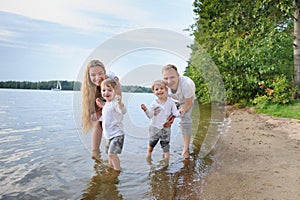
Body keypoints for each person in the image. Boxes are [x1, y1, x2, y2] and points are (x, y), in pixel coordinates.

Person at [81, 59, 121, 161]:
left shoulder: (113, 80)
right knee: (96, 123)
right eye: (93, 75)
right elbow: (91, 111)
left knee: (109, 122)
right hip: (98, 97)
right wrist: (97, 112)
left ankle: (111, 160)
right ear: (88, 76)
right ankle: (96, 159)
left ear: (105, 72)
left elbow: (118, 103)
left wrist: (103, 110)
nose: (97, 78)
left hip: (111, 99)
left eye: (100, 73)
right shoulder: (88, 87)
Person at [141, 80, 180, 163]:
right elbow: (150, 116)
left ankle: (166, 161)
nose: (159, 91)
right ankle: (148, 155)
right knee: (152, 143)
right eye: (156, 89)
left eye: (161, 88)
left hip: (166, 128)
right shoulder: (154, 103)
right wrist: (145, 110)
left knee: (165, 144)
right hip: (154, 127)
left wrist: (180, 112)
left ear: (166, 90)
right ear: (154, 92)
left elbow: (175, 112)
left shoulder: (171, 102)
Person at [161, 64, 196, 159]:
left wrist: (178, 113)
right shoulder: (163, 86)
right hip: (174, 100)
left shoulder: (187, 84)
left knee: (185, 121)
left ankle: (186, 148)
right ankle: (165, 147)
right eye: (166, 78)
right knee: (165, 120)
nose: (169, 81)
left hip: (186, 100)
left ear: (178, 75)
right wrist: (170, 117)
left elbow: (188, 104)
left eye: (172, 77)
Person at [100, 78, 126, 171]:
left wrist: (120, 103)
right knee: (109, 155)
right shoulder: (106, 105)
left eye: (109, 90)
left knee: (112, 154)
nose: (106, 92)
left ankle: (117, 171)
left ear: (115, 92)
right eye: (103, 90)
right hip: (108, 135)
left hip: (117, 134)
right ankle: (111, 169)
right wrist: (96, 118)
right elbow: (106, 118)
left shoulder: (115, 103)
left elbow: (123, 111)